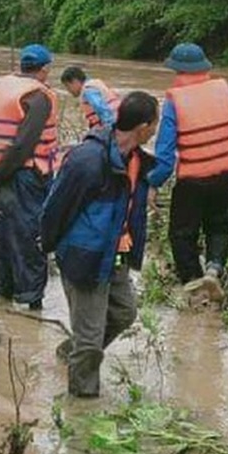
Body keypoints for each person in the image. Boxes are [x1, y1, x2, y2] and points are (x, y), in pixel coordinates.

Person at [40, 91, 158, 398]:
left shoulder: (136, 160)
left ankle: (72, 352)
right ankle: (81, 406)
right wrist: (49, 245)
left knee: (124, 313)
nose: (157, 129)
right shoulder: (88, 160)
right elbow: (56, 206)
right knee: (91, 340)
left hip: (114, 255)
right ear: (144, 127)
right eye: (155, 123)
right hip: (85, 257)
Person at [146, 43, 228, 304]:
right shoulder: (225, 92)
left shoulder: (174, 101)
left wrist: (153, 182)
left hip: (192, 179)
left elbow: (166, 152)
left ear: (177, 70)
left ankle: (194, 284)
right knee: (220, 224)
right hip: (226, 173)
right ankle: (214, 270)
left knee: (182, 233)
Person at [0, 43, 58, 310]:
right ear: (45, 69)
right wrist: (3, 171)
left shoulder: (2, 88)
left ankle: (4, 293)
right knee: (30, 236)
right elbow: (24, 144)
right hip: (26, 175)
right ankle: (32, 301)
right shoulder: (38, 97)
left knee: (5, 234)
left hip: (0, 173)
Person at [60, 66, 121, 131]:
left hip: (114, 125)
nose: (68, 90)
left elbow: (102, 109)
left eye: (68, 86)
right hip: (119, 120)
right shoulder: (93, 84)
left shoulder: (88, 92)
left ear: (75, 81)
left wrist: (109, 131)